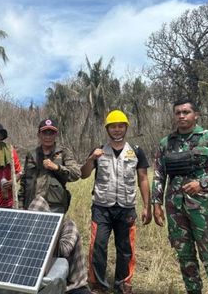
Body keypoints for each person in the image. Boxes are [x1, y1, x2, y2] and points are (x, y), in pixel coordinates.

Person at [152, 98, 208, 294]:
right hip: (175, 210)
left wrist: (203, 183)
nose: (181, 116)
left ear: (196, 115)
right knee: (185, 258)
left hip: (202, 210)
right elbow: (159, 174)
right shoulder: (165, 143)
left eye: (186, 112)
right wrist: (156, 203)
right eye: (178, 112)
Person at [80, 110, 151, 294]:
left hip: (126, 208)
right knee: (98, 246)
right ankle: (97, 285)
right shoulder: (99, 150)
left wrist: (146, 206)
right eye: (113, 126)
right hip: (101, 208)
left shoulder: (135, 151)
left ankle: (123, 284)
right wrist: (91, 159)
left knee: (126, 248)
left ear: (126, 128)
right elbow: (84, 174)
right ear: (107, 129)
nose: (117, 130)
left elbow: (143, 178)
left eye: (121, 126)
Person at [29, 195, 91, 294]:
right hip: (53, 284)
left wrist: (50, 233)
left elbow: (64, 251)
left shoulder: (68, 225)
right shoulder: (34, 234)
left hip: (73, 286)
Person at [19, 118, 80, 213]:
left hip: (55, 206)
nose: (48, 137)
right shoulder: (31, 154)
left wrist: (57, 167)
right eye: (44, 133)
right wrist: (20, 205)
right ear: (39, 135)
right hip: (31, 205)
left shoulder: (63, 152)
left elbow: (76, 174)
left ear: (56, 135)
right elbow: (24, 181)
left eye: (51, 133)